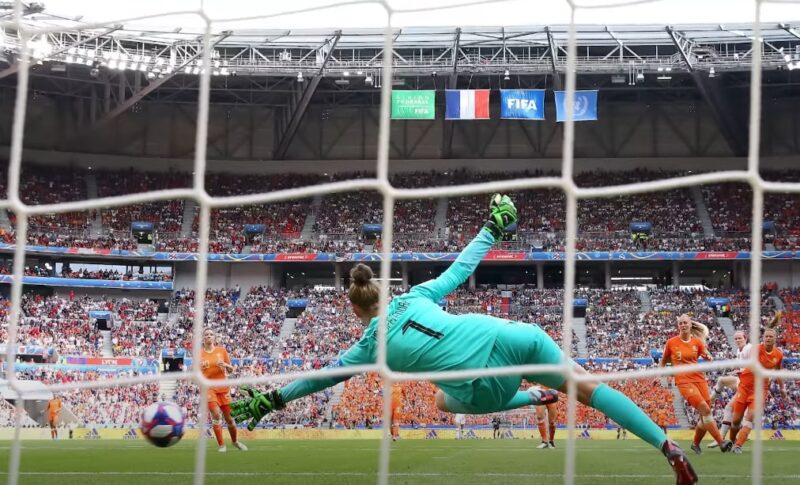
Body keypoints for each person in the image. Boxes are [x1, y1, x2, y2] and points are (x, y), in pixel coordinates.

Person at [232, 194, 698, 485]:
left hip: (486, 380)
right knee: (590, 390)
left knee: (440, 403)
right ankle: (666, 446)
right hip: (514, 335)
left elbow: (317, 380)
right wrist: (492, 227)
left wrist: (270, 400)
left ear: (356, 310)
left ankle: (527, 397)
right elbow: (460, 268)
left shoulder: (366, 347)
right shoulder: (415, 295)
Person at [660, 314, 732, 455]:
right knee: (705, 410)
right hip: (683, 381)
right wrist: (661, 375)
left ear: (690, 324)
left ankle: (695, 444)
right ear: (678, 326)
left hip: (699, 379)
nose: (683, 325)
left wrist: (708, 357)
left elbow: (705, 354)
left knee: (705, 415)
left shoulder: (697, 342)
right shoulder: (671, 342)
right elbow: (663, 361)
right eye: (680, 323)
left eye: (685, 323)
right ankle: (721, 442)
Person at [729, 328, 787, 454]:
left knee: (750, 417)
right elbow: (747, 362)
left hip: (760, 390)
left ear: (775, 339)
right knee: (736, 421)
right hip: (744, 387)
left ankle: (738, 445)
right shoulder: (755, 349)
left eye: (770, 336)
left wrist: (782, 388)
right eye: (766, 336)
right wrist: (740, 370)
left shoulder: (778, 355)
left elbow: (778, 372)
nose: (767, 338)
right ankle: (732, 441)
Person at [200, 328, 247, 452]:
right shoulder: (199, 354)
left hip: (223, 388)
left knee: (229, 419)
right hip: (208, 388)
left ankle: (235, 442)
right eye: (206, 335)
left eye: (211, 334)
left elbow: (231, 370)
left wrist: (226, 365)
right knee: (216, 414)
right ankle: (221, 445)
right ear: (203, 338)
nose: (209, 336)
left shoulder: (222, 351)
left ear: (214, 338)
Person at [707, 330, 750, 448]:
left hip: (749, 385)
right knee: (721, 381)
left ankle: (723, 438)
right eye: (736, 339)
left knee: (730, 409)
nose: (737, 341)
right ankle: (711, 400)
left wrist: (740, 371)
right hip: (742, 382)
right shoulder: (739, 351)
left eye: (740, 338)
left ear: (745, 338)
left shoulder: (749, 349)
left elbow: (755, 365)